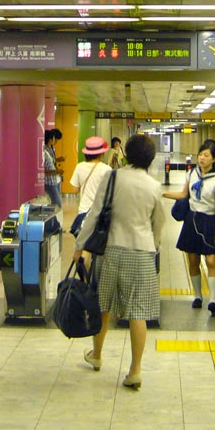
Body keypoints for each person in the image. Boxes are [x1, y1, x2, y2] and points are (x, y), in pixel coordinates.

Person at [74, 134, 163, 390]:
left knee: (103, 305)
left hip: (111, 249)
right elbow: (158, 223)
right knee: (138, 312)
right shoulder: (154, 186)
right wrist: (154, 245)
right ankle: (135, 370)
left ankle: (97, 355)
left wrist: (80, 245)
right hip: (141, 251)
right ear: (151, 159)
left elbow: (94, 214)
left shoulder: (112, 177)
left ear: (127, 155)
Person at [165, 139, 215, 316]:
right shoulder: (192, 173)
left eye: (206, 155)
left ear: (214, 158)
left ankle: (213, 299)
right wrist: (162, 193)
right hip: (192, 220)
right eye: (200, 154)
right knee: (193, 261)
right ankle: (197, 295)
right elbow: (184, 194)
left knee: (211, 261)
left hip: (210, 221)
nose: (202, 158)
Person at [68, 135, 112, 238]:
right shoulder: (106, 169)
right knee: (98, 242)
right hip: (100, 213)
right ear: (102, 153)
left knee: (84, 241)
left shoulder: (79, 167)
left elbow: (75, 189)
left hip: (84, 212)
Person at [43, 128, 64, 210]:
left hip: (54, 179)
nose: (55, 141)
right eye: (54, 139)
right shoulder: (44, 151)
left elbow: (52, 161)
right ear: (50, 139)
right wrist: (56, 171)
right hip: (49, 181)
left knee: (56, 202)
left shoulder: (51, 148)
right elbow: (44, 169)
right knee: (57, 203)